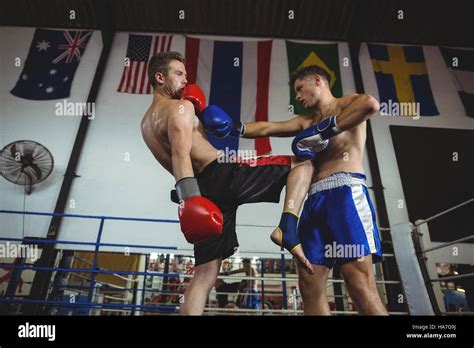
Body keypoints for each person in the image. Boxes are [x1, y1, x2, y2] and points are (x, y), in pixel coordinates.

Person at [140, 51, 314, 315]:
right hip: (222, 175)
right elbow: (179, 154)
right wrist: (189, 198)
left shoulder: (144, 124)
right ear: (159, 77)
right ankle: (287, 227)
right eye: (179, 74)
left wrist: (191, 199)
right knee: (302, 163)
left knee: (205, 273)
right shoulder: (181, 107)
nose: (185, 81)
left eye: (186, 75)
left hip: (203, 192)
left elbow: (175, 157)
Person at [233, 65, 387, 315]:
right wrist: (235, 128)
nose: (298, 97)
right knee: (309, 284)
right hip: (313, 201)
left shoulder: (347, 103)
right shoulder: (307, 121)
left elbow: (371, 105)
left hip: (345, 193)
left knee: (358, 283)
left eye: (299, 89)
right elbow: (268, 128)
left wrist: (326, 131)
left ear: (317, 81)